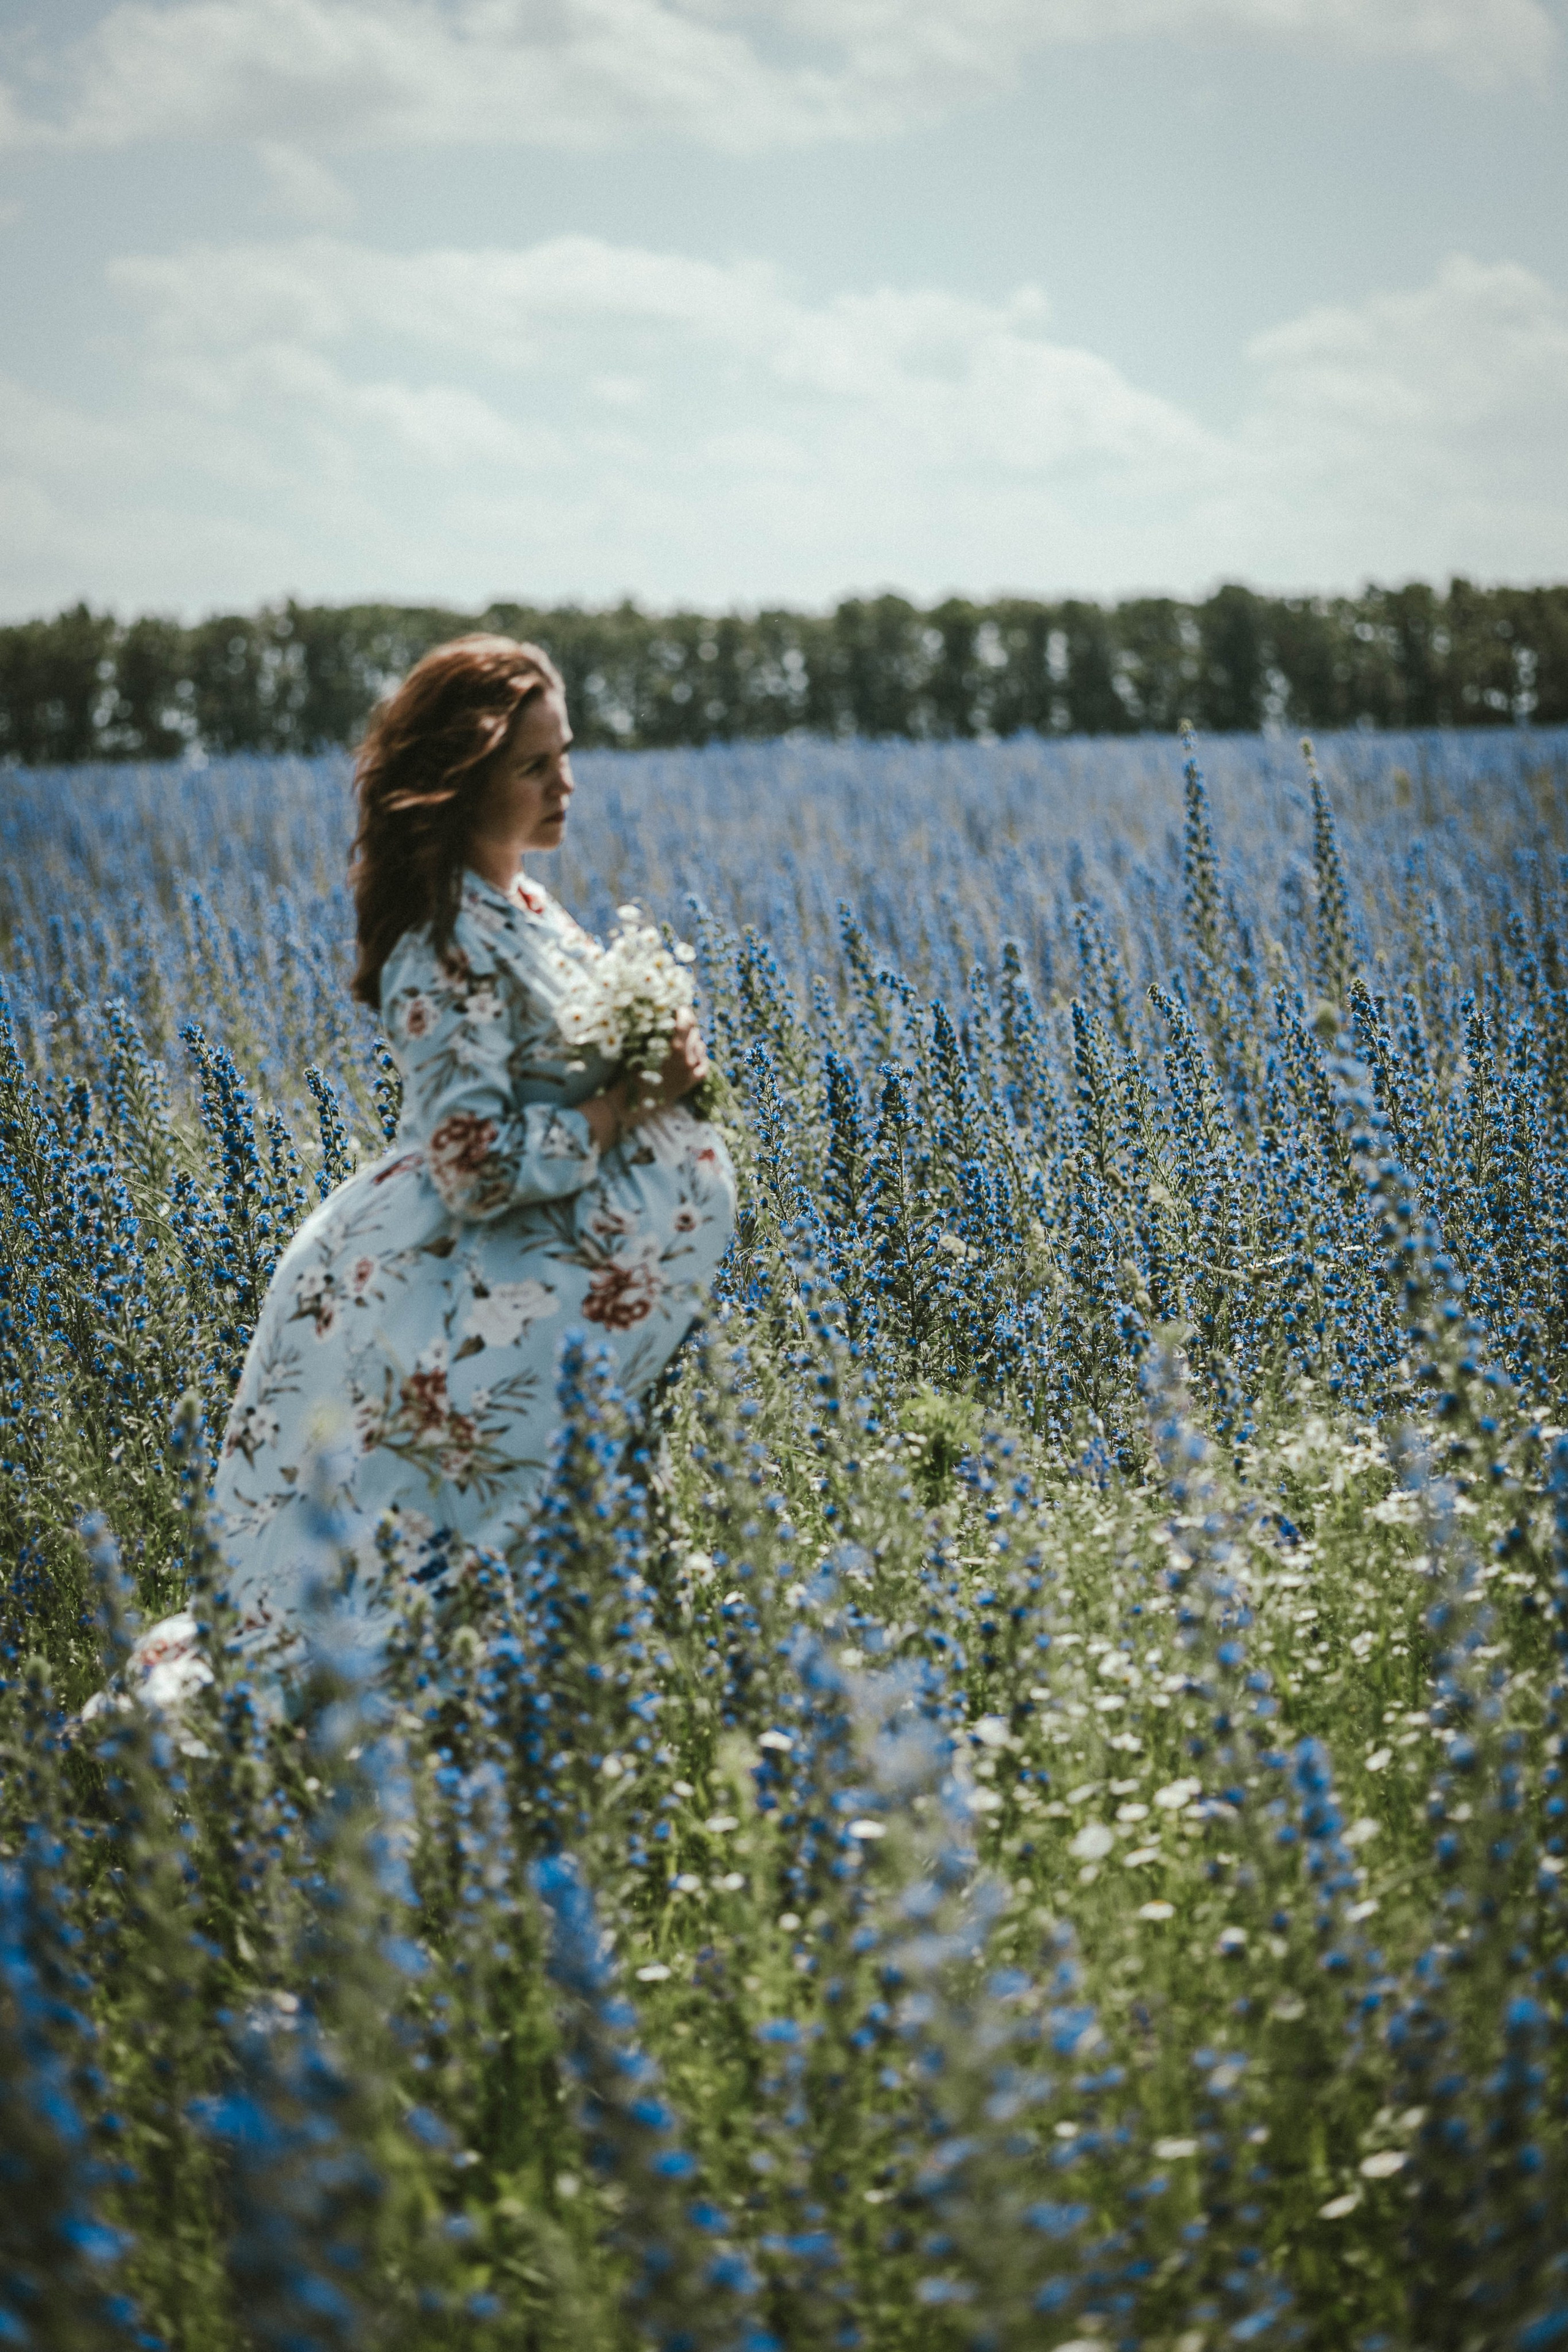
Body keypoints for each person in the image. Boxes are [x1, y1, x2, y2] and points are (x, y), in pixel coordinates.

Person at [208, 634, 737, 1655]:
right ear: (462, 781)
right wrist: (634, 1102)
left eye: (565, 754)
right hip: (445, 1303)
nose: (566, 785)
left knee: (532, 1543)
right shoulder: (441, 941)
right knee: (410, 1576)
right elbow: (471, 1163)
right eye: (535, 766)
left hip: (531, 1304)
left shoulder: (524, 903)